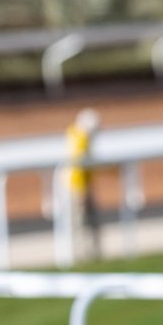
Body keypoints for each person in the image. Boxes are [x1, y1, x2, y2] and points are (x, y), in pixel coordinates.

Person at [65, 107, 102, 262]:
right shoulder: (80, 139)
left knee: (84, 222)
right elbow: (77, 167)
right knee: (82, 223)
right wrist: (81, 191)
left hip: (79, 186)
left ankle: (89, 255)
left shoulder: (75, 135)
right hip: (78, 187)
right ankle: (85, 256)